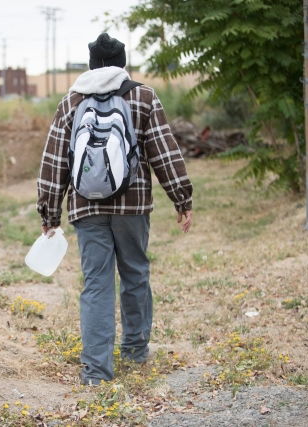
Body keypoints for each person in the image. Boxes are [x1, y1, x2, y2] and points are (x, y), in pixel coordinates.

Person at [36, 33, 193, 386]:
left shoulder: (71, 102)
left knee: (96, 284)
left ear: (91, 63)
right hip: (133, 204)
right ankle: (136, 351)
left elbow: (54, 159)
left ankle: (96, 371)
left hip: (85, 207)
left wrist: (49, 213)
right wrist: (182, 199)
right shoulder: (143, 96)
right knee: (135, 273)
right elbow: (164, 152)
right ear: (123, 63)